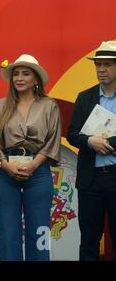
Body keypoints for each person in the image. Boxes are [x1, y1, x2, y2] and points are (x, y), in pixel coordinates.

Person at [0, 54, 61, 261]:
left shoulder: (49, 106)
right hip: (5, 171)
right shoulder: (1, 106)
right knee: (7, 233)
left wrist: (34, 165)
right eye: (16, 74)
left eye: (25, 74)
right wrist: (6, 166)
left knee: (39, 232)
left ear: (36, 79)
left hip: (38, 172)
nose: (19, 78)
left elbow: (52, 141)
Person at [67, 40, 116, 261]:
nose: (101, 70)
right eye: (98, 65)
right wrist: (90, 142)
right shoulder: (85, 97)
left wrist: (107, 143)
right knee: (88, 241)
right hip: (90, 179)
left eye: (107, 65)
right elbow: (72, 134)